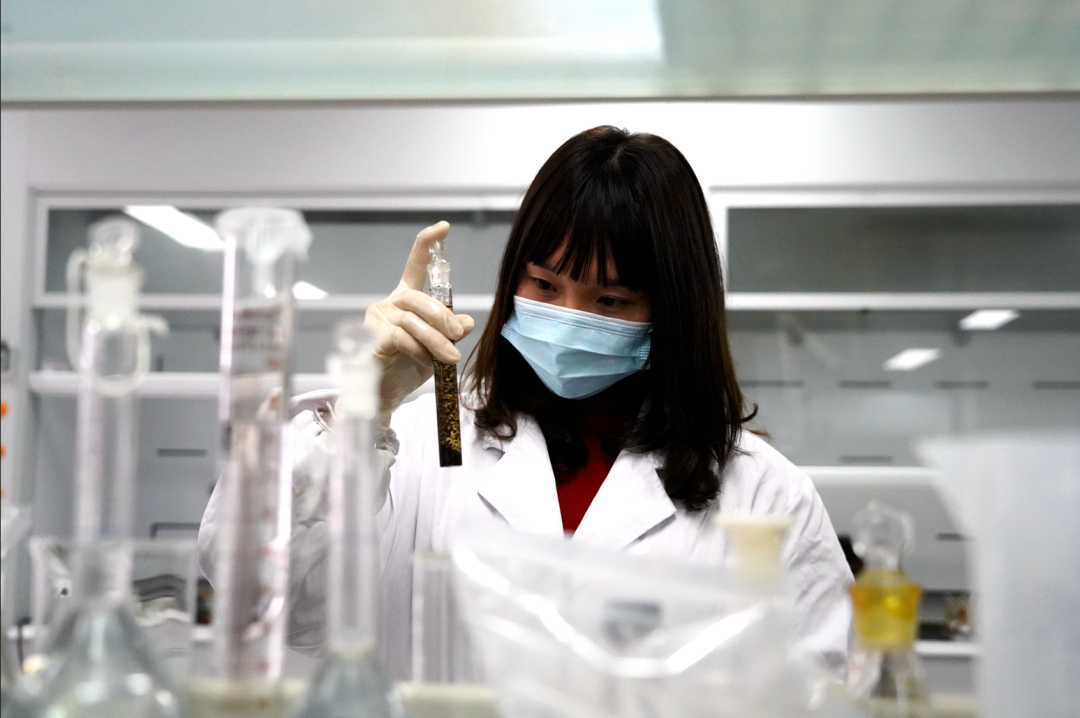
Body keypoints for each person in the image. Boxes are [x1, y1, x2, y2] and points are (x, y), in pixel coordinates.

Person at [198, 126, 853, 680]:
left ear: (674, 311)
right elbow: (254, 589)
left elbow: (830, 691)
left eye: (610, 301)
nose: (568, 316)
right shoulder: (428, 446)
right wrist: (361, 410)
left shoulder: (764, 495)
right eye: (544, 284)